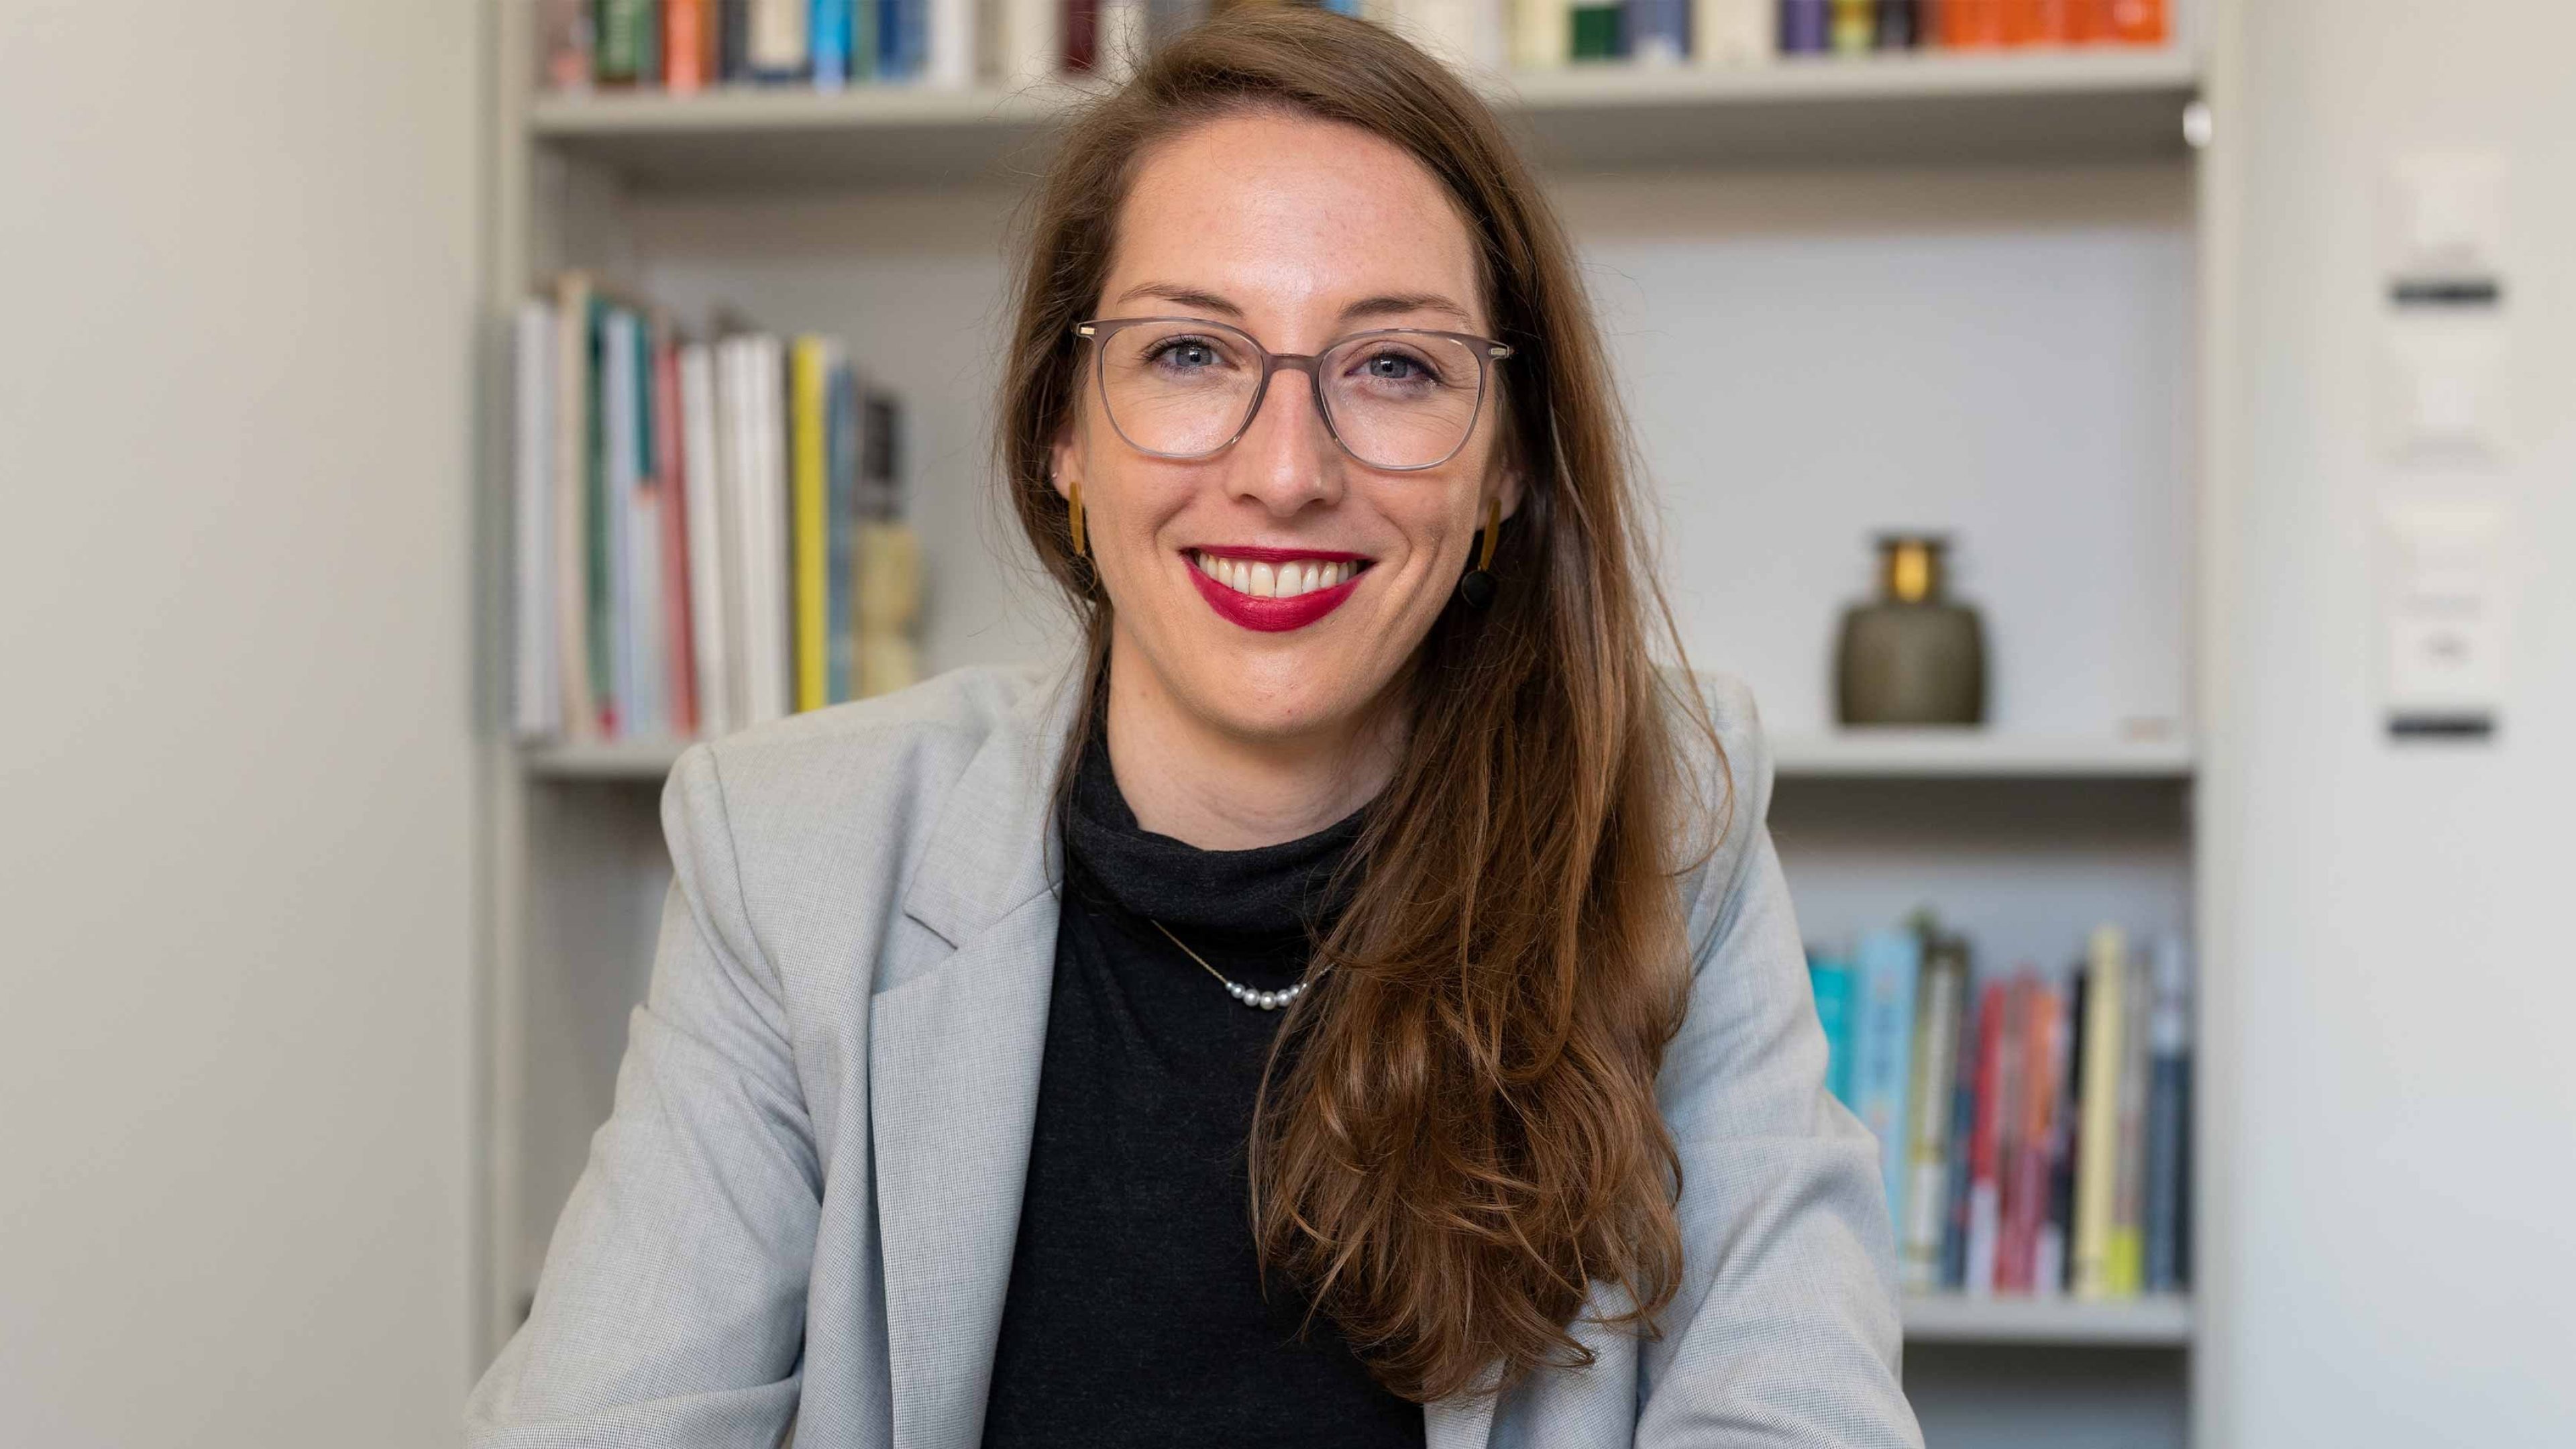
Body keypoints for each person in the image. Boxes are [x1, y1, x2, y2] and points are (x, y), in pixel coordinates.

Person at [466, 10, 1921, 1447]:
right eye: (1189, 356)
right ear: (1063, 432)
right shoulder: (797, 854)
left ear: (1505, 466)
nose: (1286, 472)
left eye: (1396, 368)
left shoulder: (1663, 823)